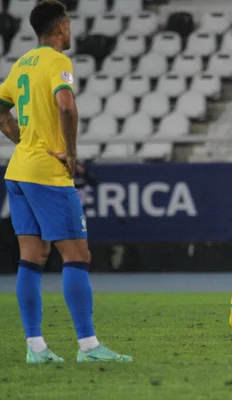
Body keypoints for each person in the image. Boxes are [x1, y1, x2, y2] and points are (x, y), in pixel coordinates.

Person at [0, 1, 131, 363]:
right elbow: (67, 106)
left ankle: (35, 348)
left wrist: (22, 140)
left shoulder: (21, 63)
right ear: (61, 28)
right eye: (69, 25)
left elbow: (0, 106)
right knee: (77, 255)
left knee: (32, 258)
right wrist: (70, 153)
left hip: (18, 173)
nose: (70, 31)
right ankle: (88, 347)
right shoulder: (58, 62)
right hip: (47, 173)